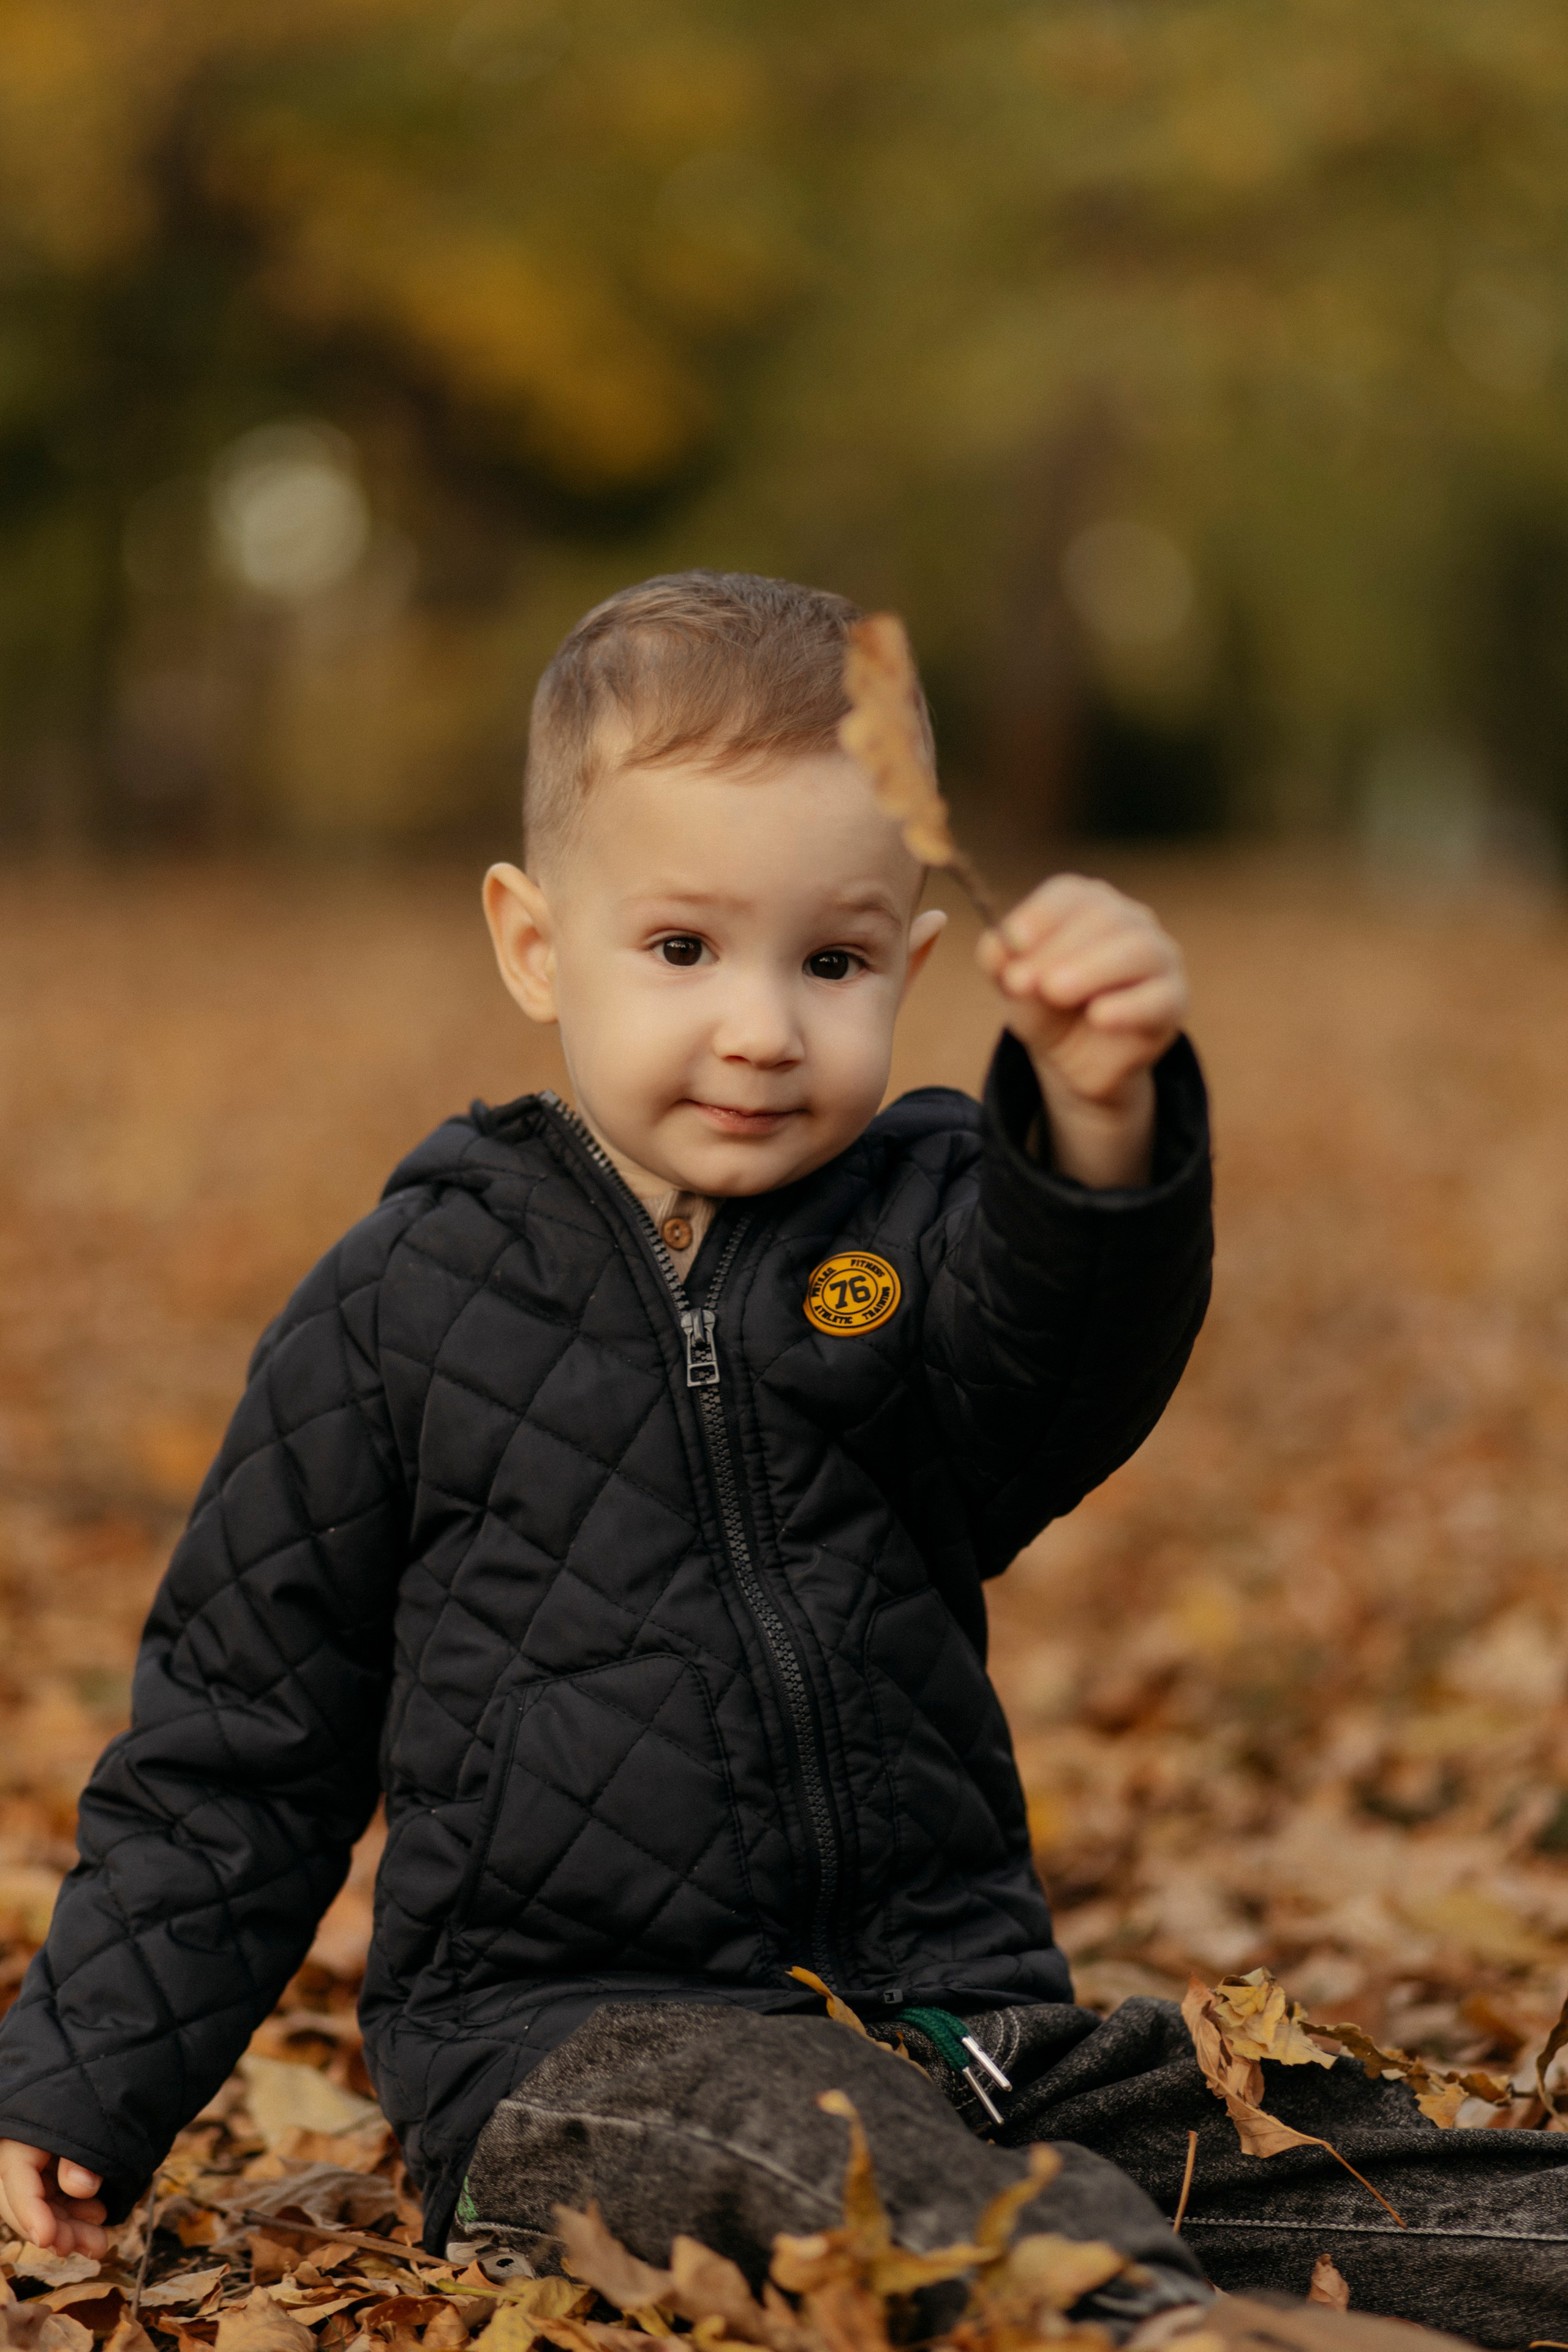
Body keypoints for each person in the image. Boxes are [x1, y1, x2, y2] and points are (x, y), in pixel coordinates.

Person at [0, 575, 1560, 2351]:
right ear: (533, 942)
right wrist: (79, 2085)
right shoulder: (402, 1306)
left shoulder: (923, 1226)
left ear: (909, 962)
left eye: (827, 963)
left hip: (956, 2021)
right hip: (569, 2054)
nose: (758, 1028)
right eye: (682, 950)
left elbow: (1058, 1377)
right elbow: (237, 1742)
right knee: (801, 2142)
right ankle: (1134, 2330)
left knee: (1280, 2148)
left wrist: (1101, 1115)